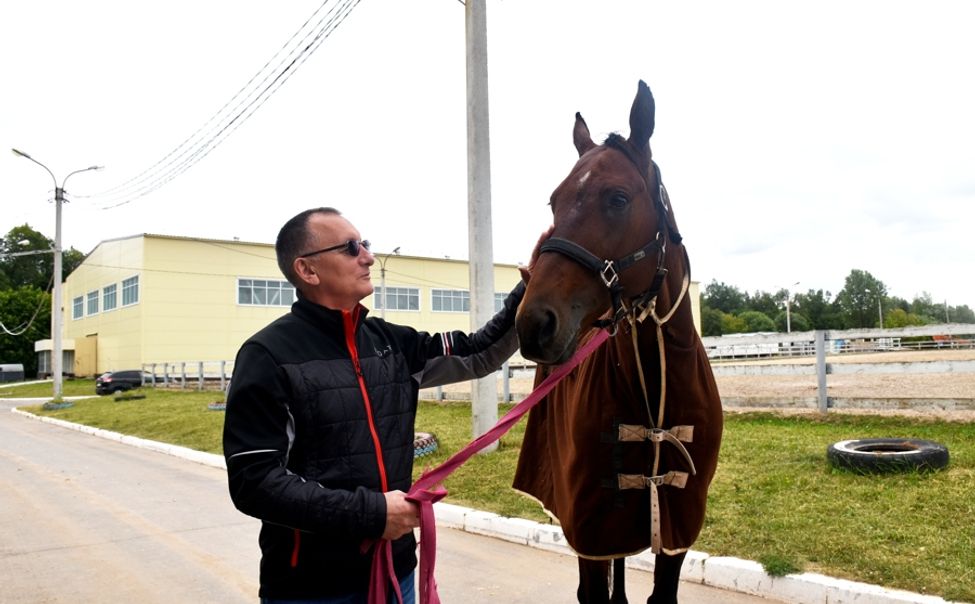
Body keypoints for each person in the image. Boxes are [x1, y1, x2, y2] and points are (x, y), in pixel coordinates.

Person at [223, 207, 537, 603]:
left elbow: (479, 352)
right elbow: (255, 482)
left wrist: (530, 289)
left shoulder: (391, 343)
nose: (368, 256)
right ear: (308, 270)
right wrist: (372, 514)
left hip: (396, 574)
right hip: (312, 589)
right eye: (352, 248)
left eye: (365, 245)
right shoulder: (267, 356)